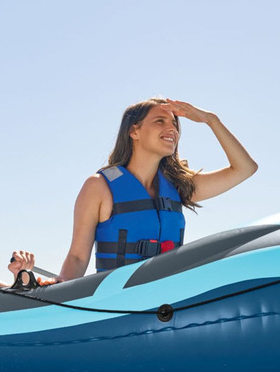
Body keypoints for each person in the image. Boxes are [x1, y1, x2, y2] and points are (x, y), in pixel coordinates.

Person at [57, 98, 258, 280]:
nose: (172, 129)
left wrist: (211, 120)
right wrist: (58, 288)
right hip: (117, 301)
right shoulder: (98, 187)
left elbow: (245, 168)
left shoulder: (178, 186)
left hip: (167, 301)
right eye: (160, 121)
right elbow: (77, 257)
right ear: (134, 132)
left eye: (174, 124)